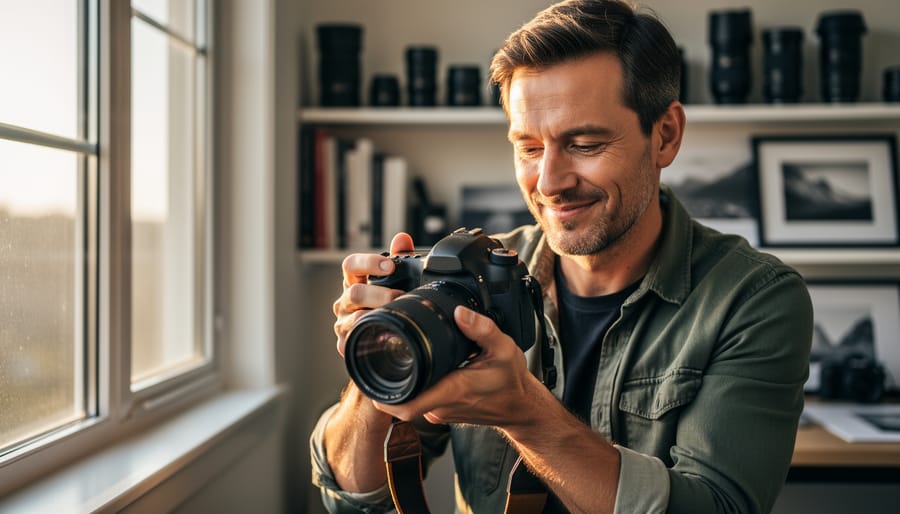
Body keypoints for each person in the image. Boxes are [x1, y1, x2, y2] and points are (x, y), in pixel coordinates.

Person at [310, 0, 813, 512]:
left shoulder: (753, 300)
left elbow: (716, 506)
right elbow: (349, 501)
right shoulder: (472, 277)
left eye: (586, 143)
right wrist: (375, 362)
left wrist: (525, 414)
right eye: (528, 148)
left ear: (665, 136)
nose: (549, 183)